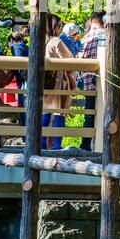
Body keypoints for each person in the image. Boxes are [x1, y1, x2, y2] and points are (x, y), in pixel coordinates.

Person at [41, 15, 75, 151]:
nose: (61, 28)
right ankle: (56, 147)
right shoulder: (56, 41)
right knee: (58, 114)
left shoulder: (41, 40)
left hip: (44, 82)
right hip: (57, 82)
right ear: (54, 26)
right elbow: (69, 61)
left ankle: (41, 144)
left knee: (44, 114)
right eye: (60, 25)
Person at [77, 11, 106, 152]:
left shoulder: (86, 37)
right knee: (105, 115)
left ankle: (86, 145)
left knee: (89, 116)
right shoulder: (108, 35)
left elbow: (79, 58)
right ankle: (102, 146)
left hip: (89, 83)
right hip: (106, 86)